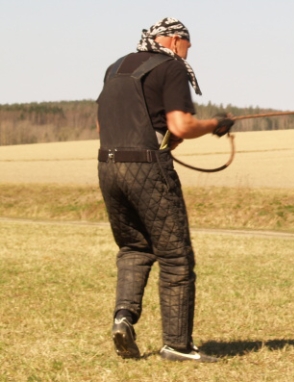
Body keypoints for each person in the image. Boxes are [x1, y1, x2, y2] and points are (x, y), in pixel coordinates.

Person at [96, 17, 234, 362]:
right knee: (175, 257)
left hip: (108, 166)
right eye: (187, 45)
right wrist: (216, 124)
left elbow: (103, 123)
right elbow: (181, 124)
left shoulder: (116, 68)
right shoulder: (170, 66)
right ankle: (178, 345)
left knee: (134, 247)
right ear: (174, 40)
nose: (188, 52)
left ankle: (123, 318)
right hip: (147, 170)